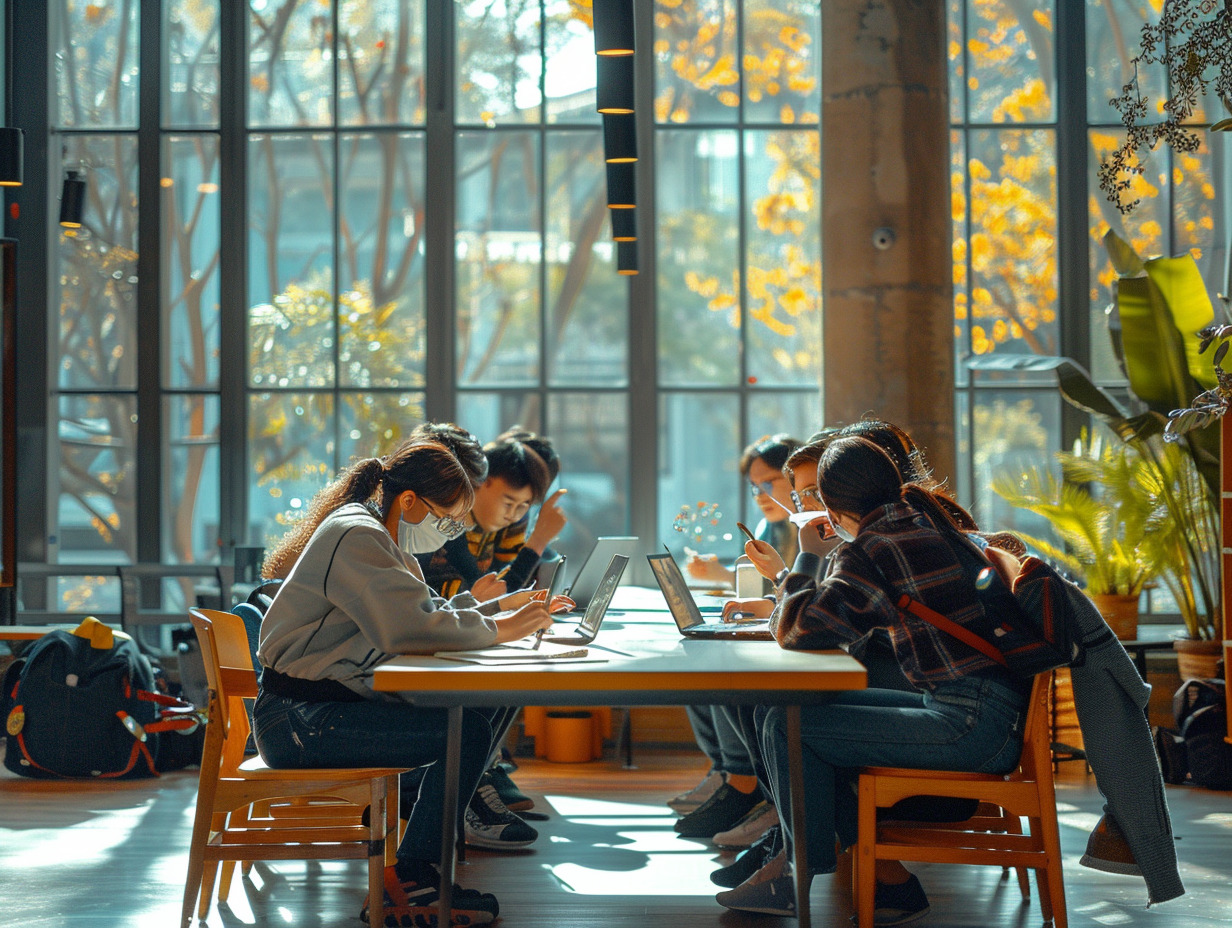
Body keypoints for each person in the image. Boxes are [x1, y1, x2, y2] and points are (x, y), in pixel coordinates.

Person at [716, 435, 1031, 926]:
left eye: (815, 497)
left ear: (833, 502)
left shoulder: (874, 546)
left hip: (970, 725)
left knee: (785, 725)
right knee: (787, 714)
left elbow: (802, 631)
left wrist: (806, 558)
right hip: (988, 712)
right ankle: (881, 881)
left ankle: (796, 872)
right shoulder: (925, 523)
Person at [252, 438, 567, 926]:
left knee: (478, 716)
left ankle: (417, 868)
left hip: (314, 711)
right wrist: (502, 628)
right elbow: (407, 630)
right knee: (465, 731)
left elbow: (422, 615)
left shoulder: (379, 537)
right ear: (408, 501)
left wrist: (491, 611)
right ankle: (417, 877)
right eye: (445, 520)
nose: (446, 534)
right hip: (299, 721)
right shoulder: (358, 535)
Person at [670, 434, 801, 840]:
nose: (761, 495)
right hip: (787, 627)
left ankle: (747, 786)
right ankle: (730, 773)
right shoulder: (768, 527)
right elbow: (772, 590)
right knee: (703, 657)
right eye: (754, 487)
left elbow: (800, 592)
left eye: (770, 483)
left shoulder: (812, 532)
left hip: (802, 639)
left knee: (724, 667)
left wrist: (732, 581)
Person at [420, 425, 568, 601]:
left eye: (524, 505)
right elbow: (484, 596)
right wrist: (538, 541)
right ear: (481, 480)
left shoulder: (510, 518)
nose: (513, 515)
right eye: (508, 503)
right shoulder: (448, 519)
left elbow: (498, 590)